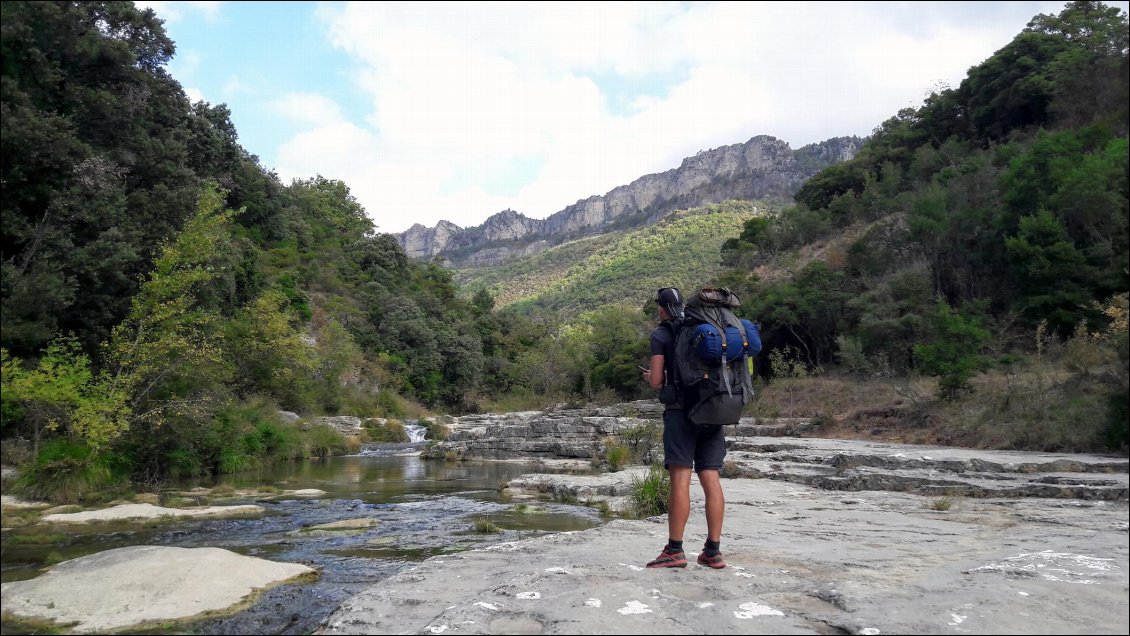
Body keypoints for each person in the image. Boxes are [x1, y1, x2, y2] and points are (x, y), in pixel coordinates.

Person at [641, 287, 727, 569]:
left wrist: (654, 377)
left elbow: (655, 381)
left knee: (680, 479)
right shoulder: (707, 328)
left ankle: (675, 550)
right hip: (712, 410)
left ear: (662, 308)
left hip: (680, 413)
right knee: (710, 478)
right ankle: (713, 551)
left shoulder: (662, 334)